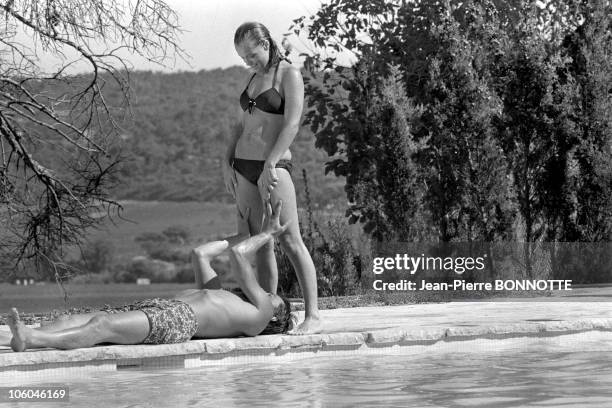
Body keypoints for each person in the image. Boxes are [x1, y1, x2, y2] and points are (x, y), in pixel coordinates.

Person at [3, 201, 293, 352]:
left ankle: (32, 338)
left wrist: (267, 234)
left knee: (102, 326)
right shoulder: (222, 296)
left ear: (276, 316)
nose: (270, 293)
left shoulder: (259, 317)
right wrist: (243, 235)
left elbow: (240, 256)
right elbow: (200, 254)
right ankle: (26, 337)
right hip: (162, 307)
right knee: (77, 318)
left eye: (275, 298)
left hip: (179, 320)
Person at [223, 21, 321, 334]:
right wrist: (226, 163)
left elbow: (292, 124)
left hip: (274, 166)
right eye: (243, 58)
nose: (248, 62)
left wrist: (271, 163)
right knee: (260, 244)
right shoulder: (253, 78)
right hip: (243, 166)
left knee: (291, 241)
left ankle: (313, 317)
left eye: (252, 55)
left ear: (266, 44)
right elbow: (239, 127)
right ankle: (269, 316)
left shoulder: (287, 74)